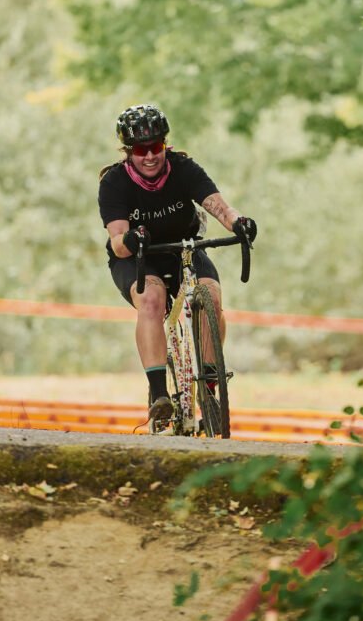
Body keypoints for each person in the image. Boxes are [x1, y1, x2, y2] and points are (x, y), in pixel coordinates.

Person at [98, 103, 257, 428]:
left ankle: (208, 391)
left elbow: (221, 208)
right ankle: (159, 394)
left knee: (211, 295)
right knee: (151, 300)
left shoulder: (183, 168)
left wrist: (239, 223)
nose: (150, 156)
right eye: (140, 149)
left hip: (184, 247)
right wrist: (131, 239)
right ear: (128, 151)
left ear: (165, 144)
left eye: (156, 146)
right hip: (138, 256)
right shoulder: (114, 181)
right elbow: (117, 241)